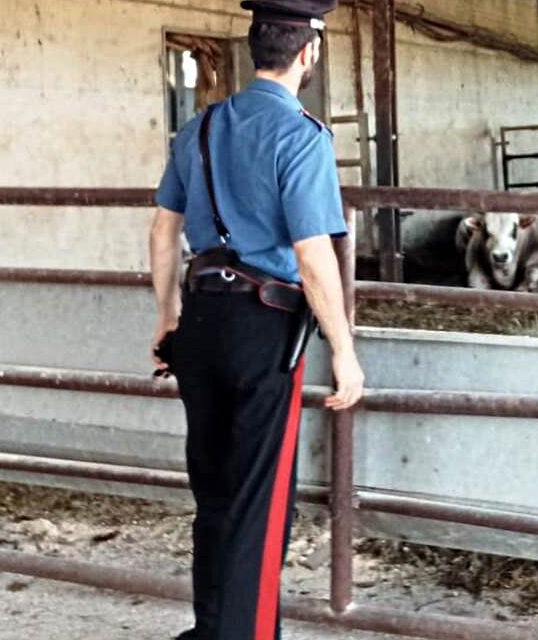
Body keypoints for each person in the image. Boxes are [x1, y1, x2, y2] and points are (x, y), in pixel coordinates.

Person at [148, 1, 363, 638]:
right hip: (263, 327)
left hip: (199, 322)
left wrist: (167, 317)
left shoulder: (200, 128)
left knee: (215, 492)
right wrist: (343, 349)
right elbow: (312, 255)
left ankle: (212, 627)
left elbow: (163, 232)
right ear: (309, 52)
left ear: (253, 47)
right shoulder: (301, 136)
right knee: (259, 506)